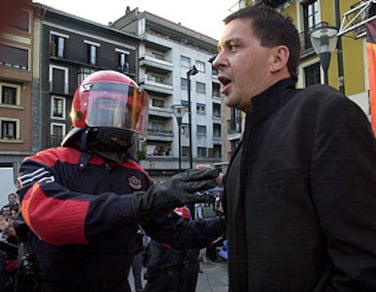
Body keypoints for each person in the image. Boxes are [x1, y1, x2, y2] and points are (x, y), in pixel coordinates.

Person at [209, 3, 376, 291]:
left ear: (277, 58)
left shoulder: (323, 114)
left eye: (233, 47)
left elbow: (372, 265)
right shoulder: (243, 146)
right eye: (219, 49)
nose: (217, 60)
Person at [14, 70, 222, 292]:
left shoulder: (136, 174)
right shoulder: (43, 162)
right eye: (107, 108)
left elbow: (175, 233)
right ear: (84, 109)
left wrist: (228, 223)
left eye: (127, 112)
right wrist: (148, 201)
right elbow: (48, 218)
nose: (119, 118)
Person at [143, 206, 201, 292]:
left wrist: (149, 274)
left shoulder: (160, 237)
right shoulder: (192, 238)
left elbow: (153, 261)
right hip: (185, 276)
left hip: (164, 277)